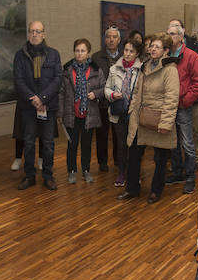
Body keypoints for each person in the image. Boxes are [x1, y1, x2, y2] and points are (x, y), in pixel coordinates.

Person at [117, 33, 180, 204]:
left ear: (166, 51)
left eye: (157, 47)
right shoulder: (145, 66)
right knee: (133, 155)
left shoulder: (170, 70)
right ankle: (132, 189)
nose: (152, 49)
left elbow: (172, 98)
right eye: (151, 46)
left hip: (159, 119)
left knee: (160, 159)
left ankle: (156, 191)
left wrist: (166, 123)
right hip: (141, 118)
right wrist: (132, 110)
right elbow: (137, 91)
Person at [13, 20, 62, 190]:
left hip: (47, 106)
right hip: (28, 107)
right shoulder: (20, 55)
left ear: (44, 34)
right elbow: (18, 80)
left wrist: (42, 98)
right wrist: (33, 99)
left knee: (48, 143)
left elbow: (57, 79)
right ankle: (29, 176)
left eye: (38, 31)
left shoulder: (54, 54)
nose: (34, 34)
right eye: (31, 31)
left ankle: (48, 176)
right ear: (28, 34)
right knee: (28, 142)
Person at [58, 38, 107, 184]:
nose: (79, 53)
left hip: (89, 114)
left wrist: (96, 94)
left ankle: (86, 170)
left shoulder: (96, 70)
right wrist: (60, 113)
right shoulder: (67, 70)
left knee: (86, 145)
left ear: (88, 52)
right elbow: (61, 93)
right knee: (72, 144)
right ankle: (71, 171)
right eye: (77, 50)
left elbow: (105, 88)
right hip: (71, 114)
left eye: (83, 51)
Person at [165, 22, 198, 195]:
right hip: (168, 106)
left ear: (181, 37)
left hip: (183, 106)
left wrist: (186, 101)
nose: (169, 37)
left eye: (173, 34)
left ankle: (190, 176)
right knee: (172, 142)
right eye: (167, 33)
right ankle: (177, 172)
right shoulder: (165, 55)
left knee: (187, 143)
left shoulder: (191, 56)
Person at [105, 37, 144, 187]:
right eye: (126, 50)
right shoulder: (114, 69)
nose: (127, 54)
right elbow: (107, 88)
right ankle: (121, 172)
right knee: (121, 145)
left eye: (131, 51)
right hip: (119, 113)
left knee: (134, 146)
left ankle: (134, 173)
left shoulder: (142, 70)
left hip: (135, 113)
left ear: (137, 54)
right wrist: (112, 95)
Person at [91, 26, 122, 172]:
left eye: (114, 37)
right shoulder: (96, 57)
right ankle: (102, 161)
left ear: (119, 40)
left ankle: (118, 159)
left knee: (118, 133)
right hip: (102, 102)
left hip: (119, 101)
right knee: (102, 134)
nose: (111, 40)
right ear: (105, 39)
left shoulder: (124, 56)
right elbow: (92, 79)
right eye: (108, 37)